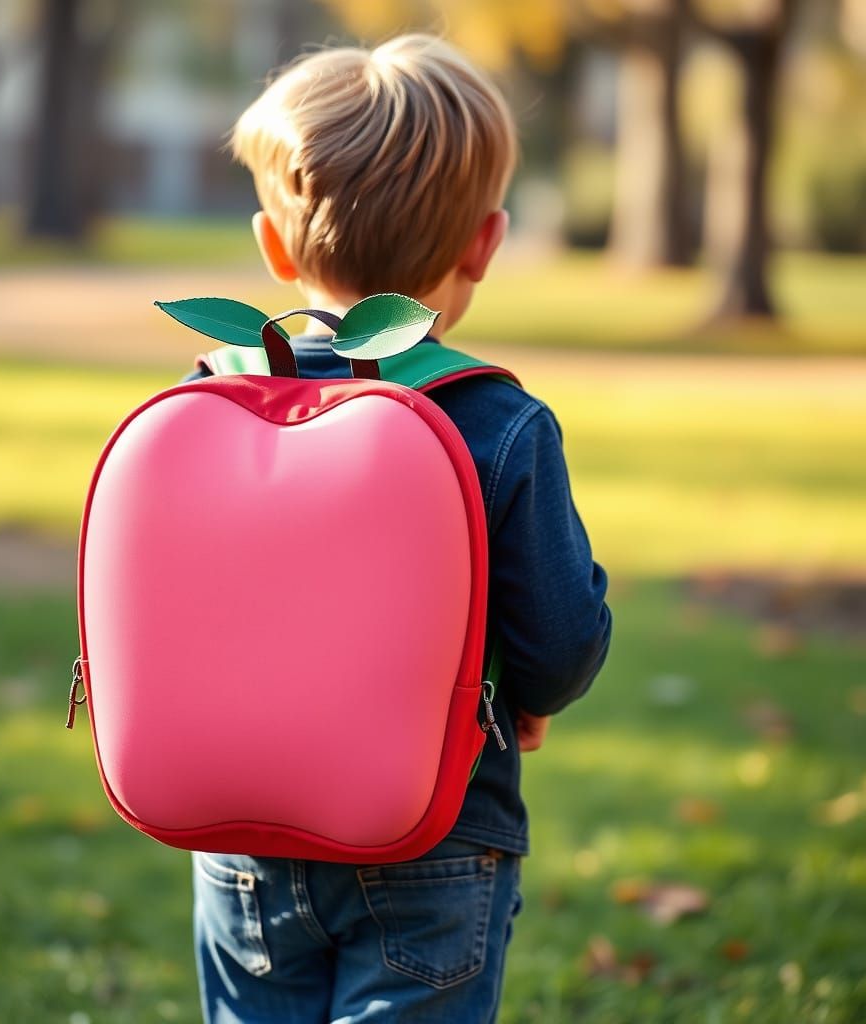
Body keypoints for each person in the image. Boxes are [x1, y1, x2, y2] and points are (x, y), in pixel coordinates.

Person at [185, 34, 612, 1024]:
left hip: (241, 829)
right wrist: (530, 689)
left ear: (273, 246)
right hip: (437, 833)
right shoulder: (500, 423)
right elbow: (558, 644)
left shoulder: (204, 402)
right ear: (485, 243)